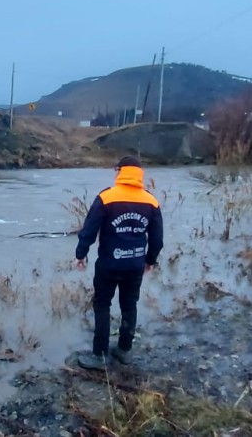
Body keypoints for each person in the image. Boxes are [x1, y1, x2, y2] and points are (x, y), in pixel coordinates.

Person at [74, 156, 163, 370]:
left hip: (108, 264)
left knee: (102, 305)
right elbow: (157, 238)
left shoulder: (106, 197)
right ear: (140, 174)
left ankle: (100, 355)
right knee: (129, 305)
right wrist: (150, 260)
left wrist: (81, 253)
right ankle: (124, 350)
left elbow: (89, 230)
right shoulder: (151, 201)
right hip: (135, 265)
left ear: (119, 171)